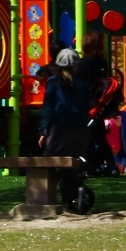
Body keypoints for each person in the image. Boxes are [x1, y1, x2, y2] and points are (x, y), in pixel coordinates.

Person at [38, 48, 90, 209]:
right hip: (80, 131)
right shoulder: (82, 84)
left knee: (48, 164)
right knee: (72, 169)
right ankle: (70, 200)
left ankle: (44, 199)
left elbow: (48, 108)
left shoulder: (53, 82)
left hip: (59, 130)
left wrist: (43, 131)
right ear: (75, 66)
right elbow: (86, 107)